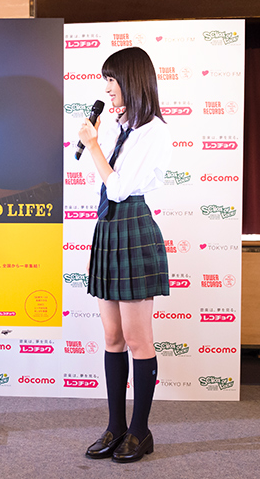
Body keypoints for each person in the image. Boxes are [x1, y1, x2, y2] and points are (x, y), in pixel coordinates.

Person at [77, 47, 171, 463]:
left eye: (111, 80)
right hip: (109, 229)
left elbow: (118, 187)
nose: (107, 89)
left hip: (133, 228)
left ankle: (140, 430)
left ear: (131, 80)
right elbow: (102, 185)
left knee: (137, 339)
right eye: (105, 80)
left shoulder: (154, 132)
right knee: (112, 337)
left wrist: (94, 145)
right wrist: (100, 139)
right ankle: (115, 426)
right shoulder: (122, 128)